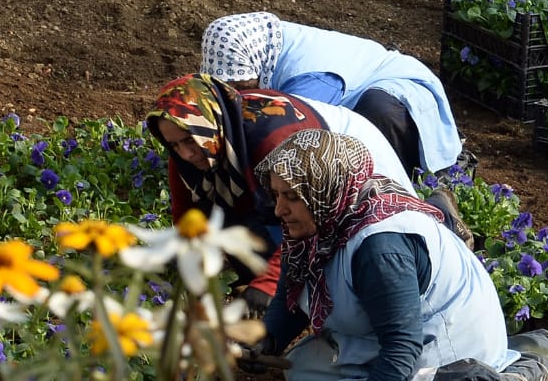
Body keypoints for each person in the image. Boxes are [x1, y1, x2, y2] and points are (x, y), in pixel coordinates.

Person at [258, 131, 548, 381]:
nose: (280, 209)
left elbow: (402, 345)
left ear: (325, 190)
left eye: (293, 197)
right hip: (390, 328)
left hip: (445, 347)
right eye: (277, 194)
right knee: (301, 370)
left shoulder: (380, 249)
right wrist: (267, 340)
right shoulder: (321, 221)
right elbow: (293, 292)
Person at [145, 73, 414, 306]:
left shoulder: (274, 141)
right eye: (175, 145)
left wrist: (269, 283)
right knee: (238, 223)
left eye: (189, 141)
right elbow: (187, 216)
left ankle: (438, 210)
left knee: (333, 257)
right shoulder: (195, 144)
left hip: (346, 157)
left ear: (208, 125)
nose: (186, 153)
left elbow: (312, 220)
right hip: (279, 175)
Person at [200, 13, 466, 178]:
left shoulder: (308, 75)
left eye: (244, 86)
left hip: (406, 93)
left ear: (255, 61)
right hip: (354, 101)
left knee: (379, 110)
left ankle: (401, 182)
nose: (240, 95)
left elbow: (293, 136)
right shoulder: (259, 48)